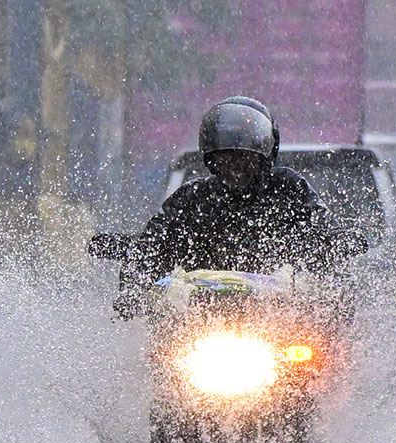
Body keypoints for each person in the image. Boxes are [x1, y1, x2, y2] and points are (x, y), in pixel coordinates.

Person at [116, 96, 356, 318]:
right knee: (161, 352)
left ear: (264, 156)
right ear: (212, 159)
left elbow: (320, 223)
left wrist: (336, 240)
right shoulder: (192, 198)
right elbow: (155, 240)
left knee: (320, 348)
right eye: (226, 157)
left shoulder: (288, 187)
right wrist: (133, 282)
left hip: (279, 320)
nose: (235, 165)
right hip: (198, 323)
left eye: (244, 156)